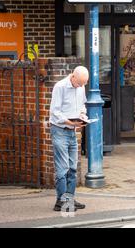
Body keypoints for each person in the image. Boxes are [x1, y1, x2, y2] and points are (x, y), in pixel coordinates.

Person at [49, 66, 89, 212]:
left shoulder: (81, 87)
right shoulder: (60, 87)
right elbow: (55, 113)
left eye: (84, 83)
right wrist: (71, 122)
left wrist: (83, 115)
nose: (81, 86)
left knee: (73, 167)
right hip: (59, 130)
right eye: (79, 83)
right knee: (63, 168)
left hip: (72, 132)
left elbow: (82, 105)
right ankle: (60, 201)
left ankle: (69, 199)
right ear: (73, 76)